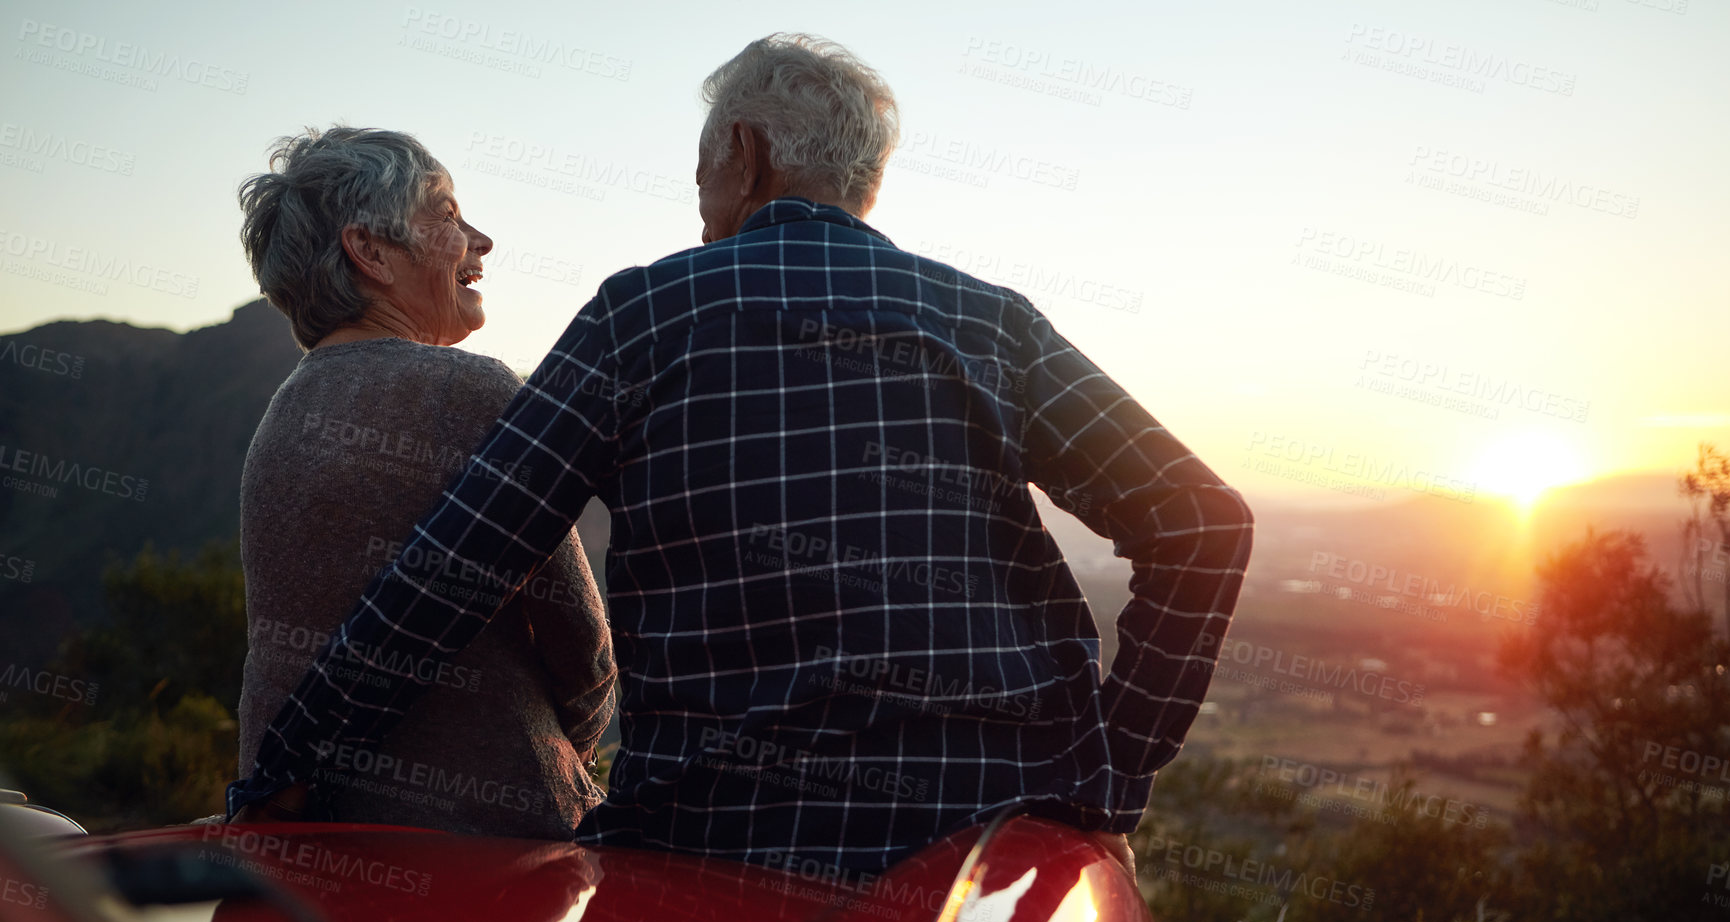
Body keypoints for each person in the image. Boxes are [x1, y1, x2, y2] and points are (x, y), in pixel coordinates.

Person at [228, 39, 1253, 874]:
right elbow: (1203, 521)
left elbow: (455, 569)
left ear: (748, 154)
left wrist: (282, 768)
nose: (701, 204)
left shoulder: (640, 316)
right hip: (987, 839)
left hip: (710, 846)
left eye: (705, 172)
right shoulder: (988, 321)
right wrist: (1109, 772)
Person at [230, 126, 615, 837]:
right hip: (491, 844)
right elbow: (584, 646)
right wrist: (570, 757)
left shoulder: (280, 418)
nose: (481, 240)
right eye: (445, 214)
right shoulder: (472, 390)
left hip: (300, 835)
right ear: (370, 251)